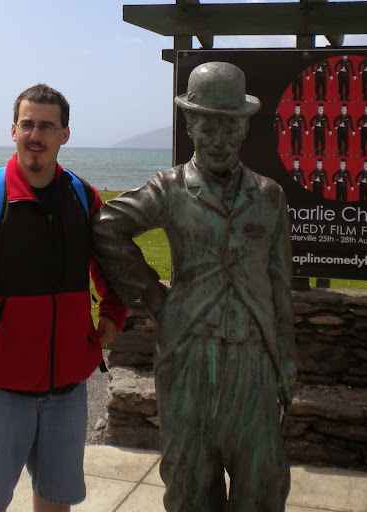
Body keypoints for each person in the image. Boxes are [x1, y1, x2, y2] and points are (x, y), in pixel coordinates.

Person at [92, 62, 296, 512]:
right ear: (189, 126)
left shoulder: (268, 196)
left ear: (244, 129)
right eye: (208, 127)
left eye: (230, 128)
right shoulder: (170, 189)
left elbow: (279, 284)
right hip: (188, 355)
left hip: (253, 360)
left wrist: (285, 358)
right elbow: (107, 225)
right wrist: (154, 296)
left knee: (262, 488)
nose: (219, 140)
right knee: (189, 488)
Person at [0, 84, 127, 512]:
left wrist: (113, 309)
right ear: (12, 130)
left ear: (64, 134)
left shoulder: (82, 197)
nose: (36, 135)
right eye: (27, 124)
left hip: (67, 390)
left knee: (55, 500)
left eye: (47, 126)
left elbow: (110, 263)